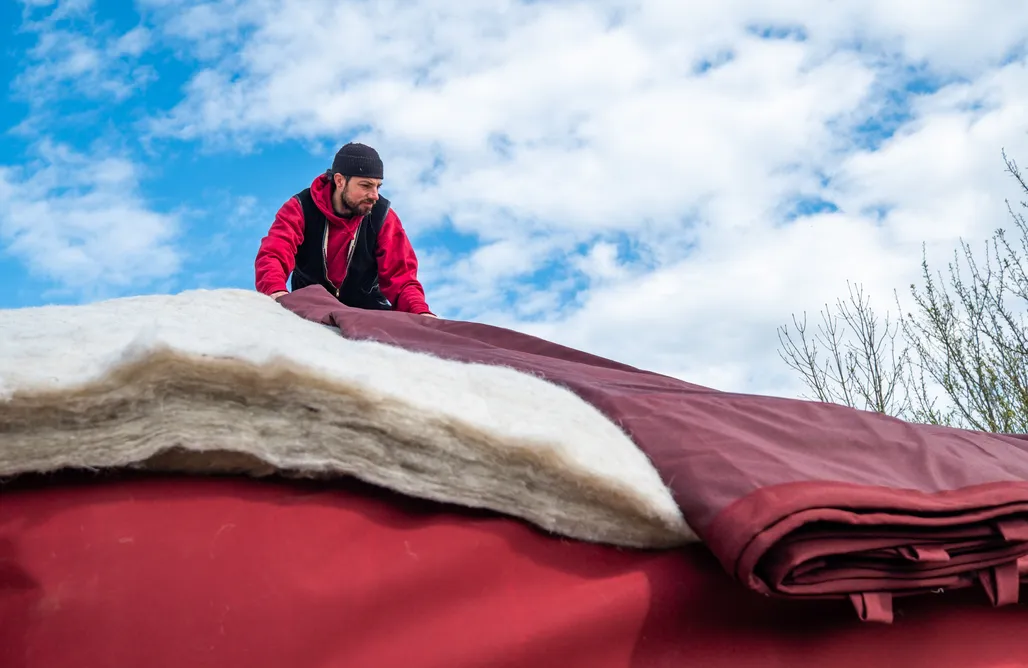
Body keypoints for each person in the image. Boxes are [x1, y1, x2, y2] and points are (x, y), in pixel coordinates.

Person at [254, 142, 435, 316]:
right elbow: (274, 254)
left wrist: (421, 311)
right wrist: (275, 291)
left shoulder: (383, 217)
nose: (374, 195)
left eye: (378, 186)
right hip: (311, 310)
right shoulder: (300, 208)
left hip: (369, 312)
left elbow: (402, 278)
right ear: (340, 181)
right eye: (366, 185)